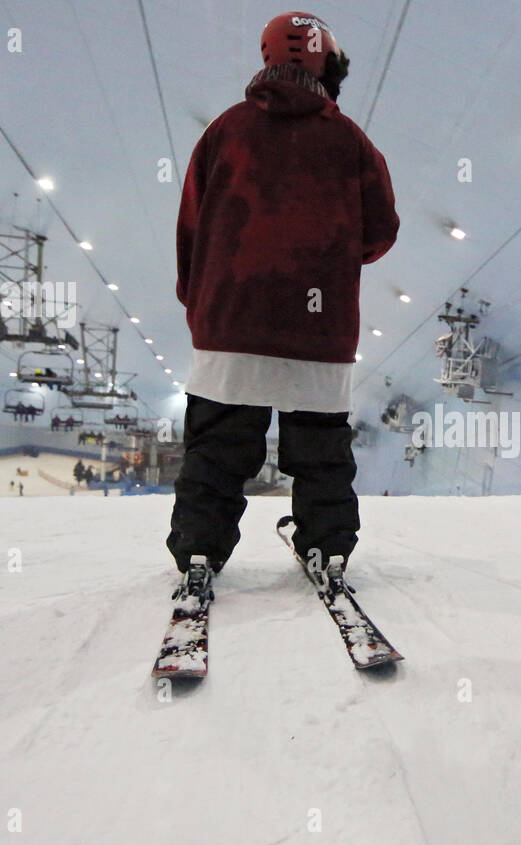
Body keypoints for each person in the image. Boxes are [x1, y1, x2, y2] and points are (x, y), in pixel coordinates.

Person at [165, 11, 398, 589]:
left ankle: (200, 552)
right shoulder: (350, 141)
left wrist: (199, 300)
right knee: (320, 451)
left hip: (229, 319)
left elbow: (191, 224)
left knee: (216, 449)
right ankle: (327, 547)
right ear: (331, 67)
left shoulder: (224, 130)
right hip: (319, 328)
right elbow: (381, 231)